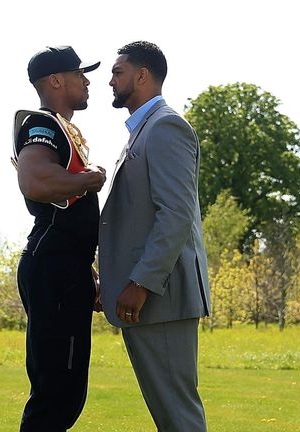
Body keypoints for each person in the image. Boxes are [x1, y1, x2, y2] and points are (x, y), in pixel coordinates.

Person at [98, 41, 211, 431]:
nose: (110, 81)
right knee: (170, 419)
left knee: (178, 418)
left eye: (118, 72)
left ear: (142, 76)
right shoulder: (141, 131)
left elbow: (176, 216)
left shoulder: (165, 127)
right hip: (149, 301)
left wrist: (141, 282)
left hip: (161, 299)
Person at [12, 45, 106, 432]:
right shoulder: (42, 124)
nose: (86, 81)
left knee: (66, 393)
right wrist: (88, 179)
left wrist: (88, 272)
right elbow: (34, 180)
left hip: (65, 267)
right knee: (55, 394)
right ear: (55, 81)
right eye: (79, 74)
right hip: (53, 267)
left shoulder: (62, 128)